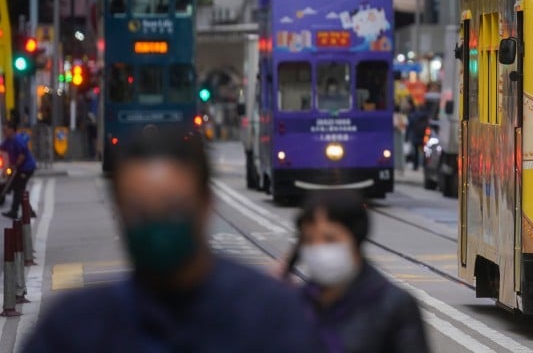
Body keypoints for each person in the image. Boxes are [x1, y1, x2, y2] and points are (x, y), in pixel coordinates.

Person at [23, 127, 319, 352]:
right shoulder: (73, 329)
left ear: (206, 204)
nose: (157, 225)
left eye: (174, 208)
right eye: (140, 211)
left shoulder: (271, 315)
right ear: (119, 213)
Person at [289, 190, 429, 352]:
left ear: (355, 238)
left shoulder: (393, 306)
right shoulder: (294, 305)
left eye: (330, 239)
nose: (318, 248)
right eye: (309, 240)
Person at [1, 123, 36, 219]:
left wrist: (14, 167)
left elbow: (22, 155)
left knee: (18, 189)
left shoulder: (18, 140)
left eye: (6, 129)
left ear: (12, 130)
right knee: (17, 189)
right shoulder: (8, 141)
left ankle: (15, 211)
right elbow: (1, 148)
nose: (4, 132)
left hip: (26, 168)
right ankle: (28, 211)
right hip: (19, 168)